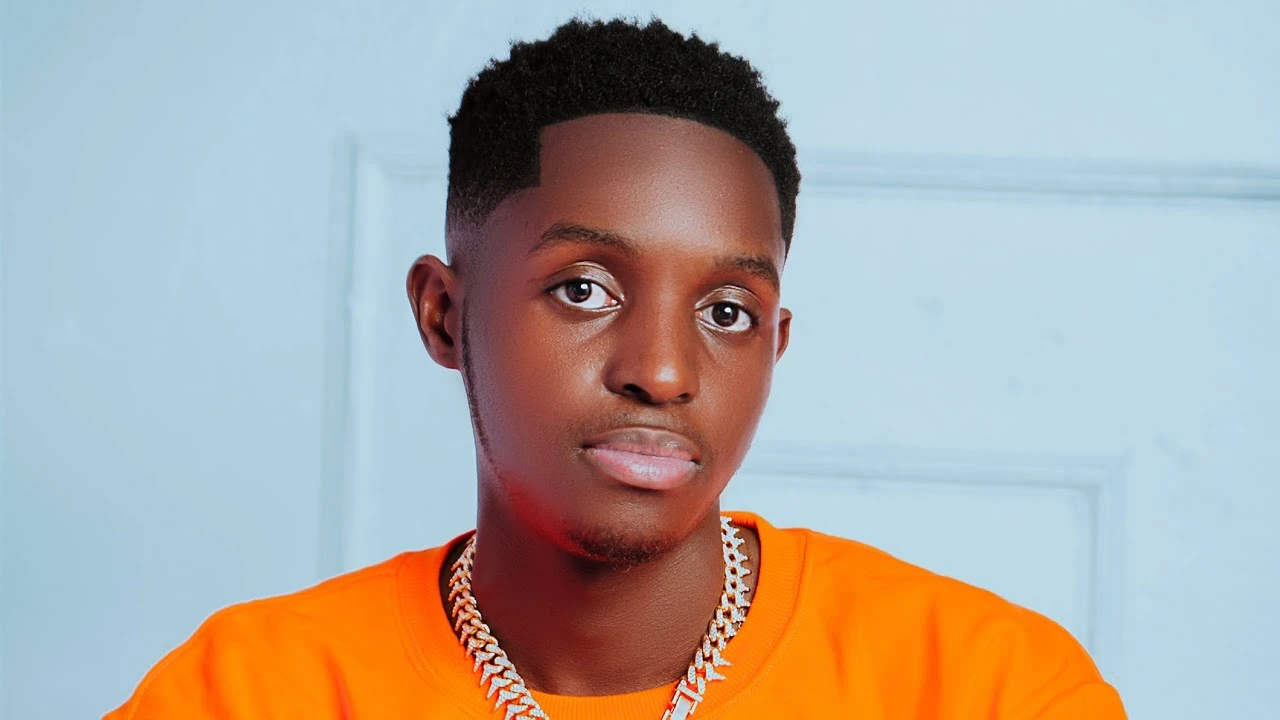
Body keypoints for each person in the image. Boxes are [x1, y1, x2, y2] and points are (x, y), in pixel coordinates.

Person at [106, 17, 1126, 719]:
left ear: (773, 346)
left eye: (726, 312)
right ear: (444, 315)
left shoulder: (987, 689)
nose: (664, 372)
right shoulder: (243, 694)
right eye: (584, 289)